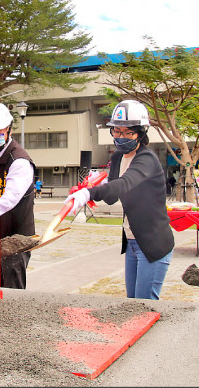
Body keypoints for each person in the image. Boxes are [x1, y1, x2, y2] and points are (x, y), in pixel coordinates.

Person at [65, 100, 174, 300]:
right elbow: (113, 194)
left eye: (127, 133)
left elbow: (124, 184)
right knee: (132, 303)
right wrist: (91, 187)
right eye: (116, 131)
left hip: (152, 243)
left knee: (144, 306)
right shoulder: (117, 158)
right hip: (132, 241)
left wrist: (89, 194)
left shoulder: (147, 160)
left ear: (141, 132)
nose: (121, 137)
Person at [0, 103, 36, 289]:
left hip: (15, 240)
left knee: (11, 290)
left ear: (9, 130)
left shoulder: (19, 161)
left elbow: (9, 200)